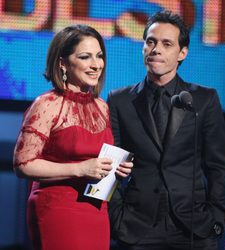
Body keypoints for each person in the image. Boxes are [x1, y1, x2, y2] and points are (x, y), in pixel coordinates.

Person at [108, 10, 225, 250]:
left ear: (182, 53)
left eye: (166, 44)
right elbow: (110, 165)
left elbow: (218, 166)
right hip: (137, 227)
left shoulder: (203, 99)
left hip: (193, 227)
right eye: (150, 42)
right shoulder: (119, 100)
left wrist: (216, 220)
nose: (156, 49)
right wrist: (116, 218)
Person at [13, 24, 133, 250]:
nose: (96, 65)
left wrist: (117, 170)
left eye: (99, 56)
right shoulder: (47, 104)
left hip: (96, 211)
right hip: (58, 210)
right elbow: (22, 164)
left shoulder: (102, 107)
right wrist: (79, 169)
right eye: (85, 57)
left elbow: (97, 163)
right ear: (63, 63)